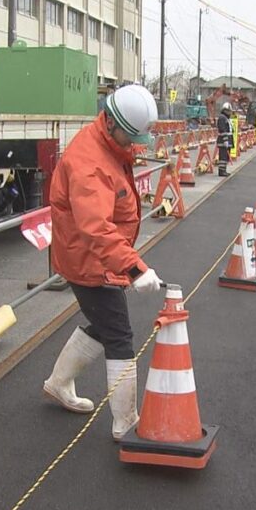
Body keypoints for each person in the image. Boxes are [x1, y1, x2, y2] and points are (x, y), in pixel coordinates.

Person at [42, 84, 163, 440]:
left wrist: (126, 262)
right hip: (89, 260)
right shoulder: (90, 164)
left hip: (97, 257)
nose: (133, 144)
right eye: (129, 136)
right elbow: (95, 228)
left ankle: (58, 383)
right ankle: (126, 422)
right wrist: (135, 267)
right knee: (120, 336)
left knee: (105, 323)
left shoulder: (108, 143)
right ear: (110, 122)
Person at [216, 102, 232, 177]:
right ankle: (221, 171)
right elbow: (222, 129)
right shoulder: (222, 118)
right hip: (223, 141)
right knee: (223, 157)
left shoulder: (226, 118)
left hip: (227, 141)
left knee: (225, 157)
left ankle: (224, 170)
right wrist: (225, 140)